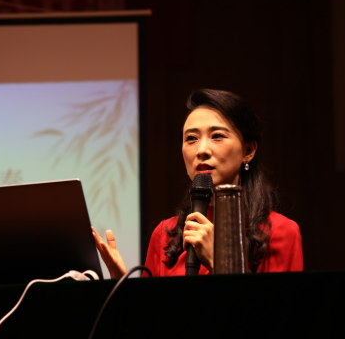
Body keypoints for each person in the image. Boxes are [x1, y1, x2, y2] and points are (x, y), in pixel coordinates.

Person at [92, 89, 303, 279]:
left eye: (217, 136)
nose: (202, 150)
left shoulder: (280, 232)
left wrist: (219, 263)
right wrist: (122, 289)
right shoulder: (165, 235)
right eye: (191, 138)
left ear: (248, 151)